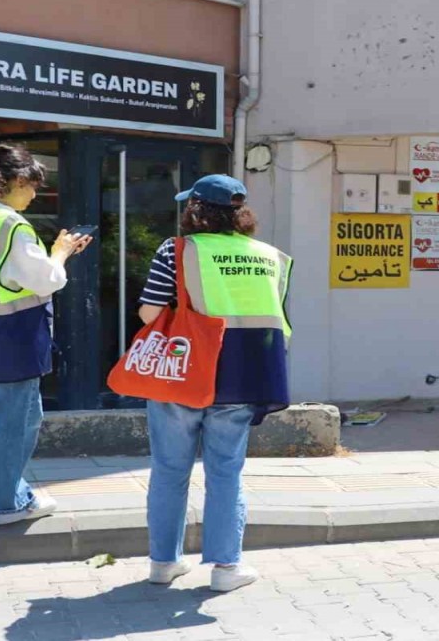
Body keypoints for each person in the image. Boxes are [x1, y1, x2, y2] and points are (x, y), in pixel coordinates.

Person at [137, 174, 292, 593]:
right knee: (226, 473)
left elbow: (150, 314)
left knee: (170, 470)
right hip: (242, 378)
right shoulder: (270, 256)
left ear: (194, 210)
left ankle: (163, 563)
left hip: (182, 373)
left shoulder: (177, 249)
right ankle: (226, 569)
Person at [0, 144, 91, 525]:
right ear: (18, 182)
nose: (35, 194)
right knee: (14, 418)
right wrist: (61, 252)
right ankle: (7, 503)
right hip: (9, 333)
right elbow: (46, 279)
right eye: (33, 186)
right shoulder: (12, 226)